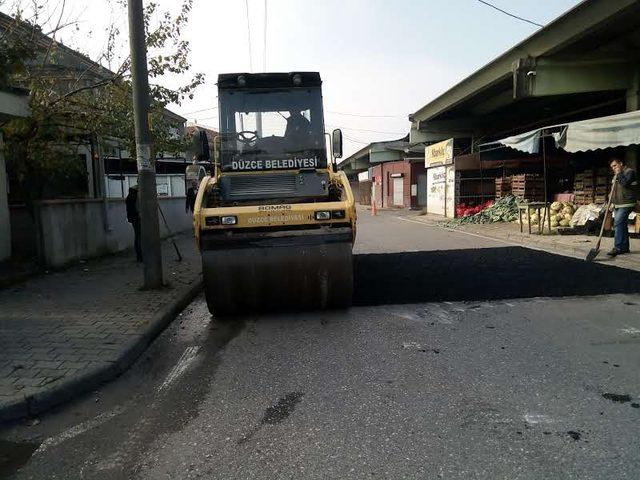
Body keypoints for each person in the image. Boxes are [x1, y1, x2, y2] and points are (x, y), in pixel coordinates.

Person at [607, 157, 638, 257]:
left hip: (627, 202)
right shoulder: (616, 175)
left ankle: (618, 247)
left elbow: (625, 183)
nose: (613, 168)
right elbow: (614, 189)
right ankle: (624, 248)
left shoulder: (629, 172)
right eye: (612, 167)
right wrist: (610, 202)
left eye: (615, 165)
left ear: (621, 163)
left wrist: (619, 173)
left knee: (618, 222)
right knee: (622, 225)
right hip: (618, 203)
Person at [125, 186, 143, 263]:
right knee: (139, 237)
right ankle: (141, 256)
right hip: (137, 218)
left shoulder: (131, 195)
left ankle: (140, 256)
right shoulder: (137, 194)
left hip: (134, 218)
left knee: (138, 236)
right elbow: (138, 208)